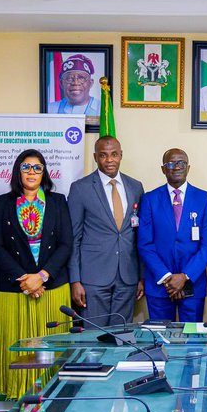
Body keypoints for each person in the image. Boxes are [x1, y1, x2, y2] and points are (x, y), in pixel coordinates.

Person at [0, 149, 73, 399]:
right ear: (18, 171)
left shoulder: (58, 201)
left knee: (51, 352)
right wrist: (26, 279)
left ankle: (52, 403)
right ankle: (21, 404)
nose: (32, 172)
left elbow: (66, 244)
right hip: (16, 289)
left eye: (37, 167)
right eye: (26, 167)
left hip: (52, 288)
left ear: (44, 172)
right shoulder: (1, 203)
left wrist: (42, 276)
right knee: (20, 351)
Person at [67, 136, 145, 326]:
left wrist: (141, 277)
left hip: (127, 276)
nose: (109, 160)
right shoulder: (80, 188)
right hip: (93, 278)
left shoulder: (136, 187)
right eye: (103, 155)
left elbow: (140, 236)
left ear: (121, 155)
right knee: (93, 338)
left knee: (121, 335)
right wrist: (75, 281)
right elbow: (74, 238)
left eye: (114, 154)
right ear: (95, 157)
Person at [137, 148, 207, 322]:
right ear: (163, 169)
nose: (176, 167)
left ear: (188, 168)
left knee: (193, 343)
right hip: (159, 285)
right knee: (160, 340)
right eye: (171, 163)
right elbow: (145, 244)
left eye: (181, 163)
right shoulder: (150, 199)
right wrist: (167, 278)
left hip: (192, 284)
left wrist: (184, 276)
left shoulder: (205, 199)